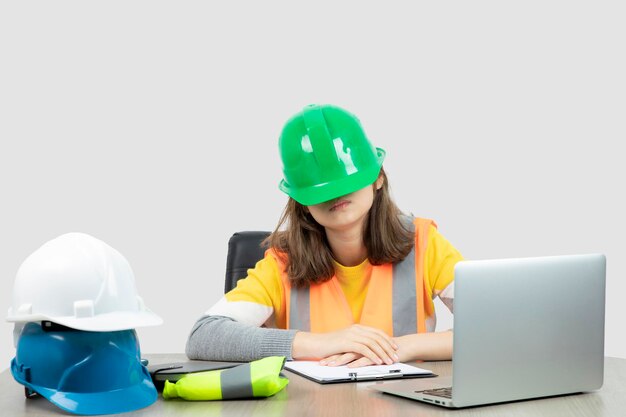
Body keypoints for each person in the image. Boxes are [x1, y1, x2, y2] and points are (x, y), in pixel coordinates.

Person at [186, 104, 463, 367]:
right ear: (302, 201)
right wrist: (320, 344)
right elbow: (204, 336)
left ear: (378, 177)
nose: (336, 195)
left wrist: (400, 348)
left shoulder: (423, 244)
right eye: (322, 189)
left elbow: (497, 326)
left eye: (346, 182)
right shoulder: (282, 262)